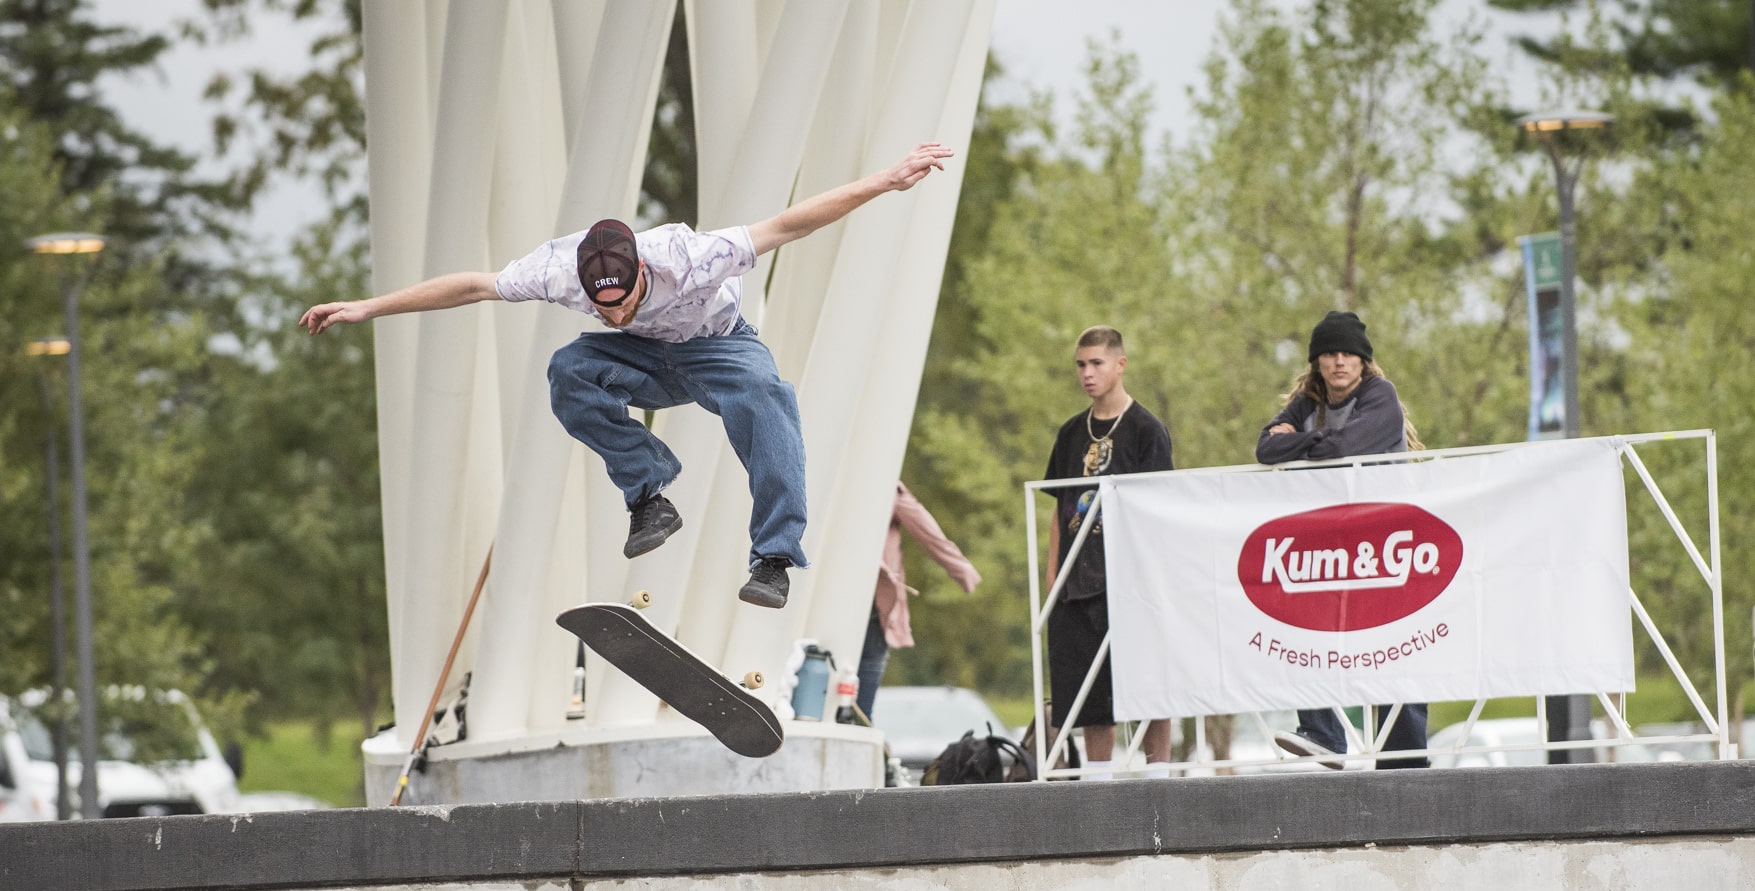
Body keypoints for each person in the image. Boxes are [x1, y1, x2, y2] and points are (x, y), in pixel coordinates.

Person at [300, 143, 956, 610]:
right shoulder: (559, 269)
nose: (615, 310)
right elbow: (473, 285)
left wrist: (885, 181)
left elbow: (792, 221)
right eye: (603, 305)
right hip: (644, 360)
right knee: (567, 370)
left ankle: (774, 557)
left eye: (625, 299)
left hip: (718, 348)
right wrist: (370, 307)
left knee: (768, 396)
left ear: (643, 268)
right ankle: (648, 494)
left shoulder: (693, 256)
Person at [1258, 310, 1430, 769]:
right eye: (1329, 354)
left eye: (1347, 354)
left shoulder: (1381, 396)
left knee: (1391, 643)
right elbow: (1264, 449)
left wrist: (1303, 439)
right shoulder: (1306, 402)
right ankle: (1323, 735)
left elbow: (1341, 449)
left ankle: (1405, 759)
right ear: (1317, 362)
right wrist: (1312, 437)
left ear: (1362, 361)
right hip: (1333, 545)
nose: (1338, 362)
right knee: (1310, 631)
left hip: (1386, 542)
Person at [1044, 326, 1174, 777]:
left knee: (1150, 686)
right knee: (1090, 697)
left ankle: (1159, 779)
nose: (1087, 373)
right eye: (1081, 364)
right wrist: (1052, 582)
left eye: (1096, 363)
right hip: (1077, 583)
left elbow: (1161, 513)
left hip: (1131, 582)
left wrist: (1154, 583)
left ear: (1120, 364)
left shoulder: (1146, 430)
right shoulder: (1068, 434)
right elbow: (1058, 512)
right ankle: (1097, 786)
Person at [856, 481, 981, 721]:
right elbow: (927, 531)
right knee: (867, 672)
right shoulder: (888, 486)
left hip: (850, 590)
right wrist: (962, 569)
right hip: (876, 594)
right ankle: (860, 723)